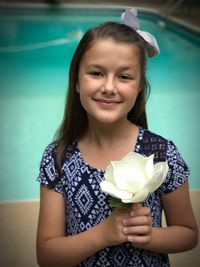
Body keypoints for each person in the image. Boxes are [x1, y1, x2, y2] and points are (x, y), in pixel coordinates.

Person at [36, 8, 198, 267]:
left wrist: (149, 236)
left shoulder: (161, 153)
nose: (109, 87)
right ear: (77, 81)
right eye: (97, 73)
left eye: (124, 77)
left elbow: (188, 234)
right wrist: (103, 234)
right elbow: (47, 255)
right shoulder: (57, 158)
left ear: (138, 87)